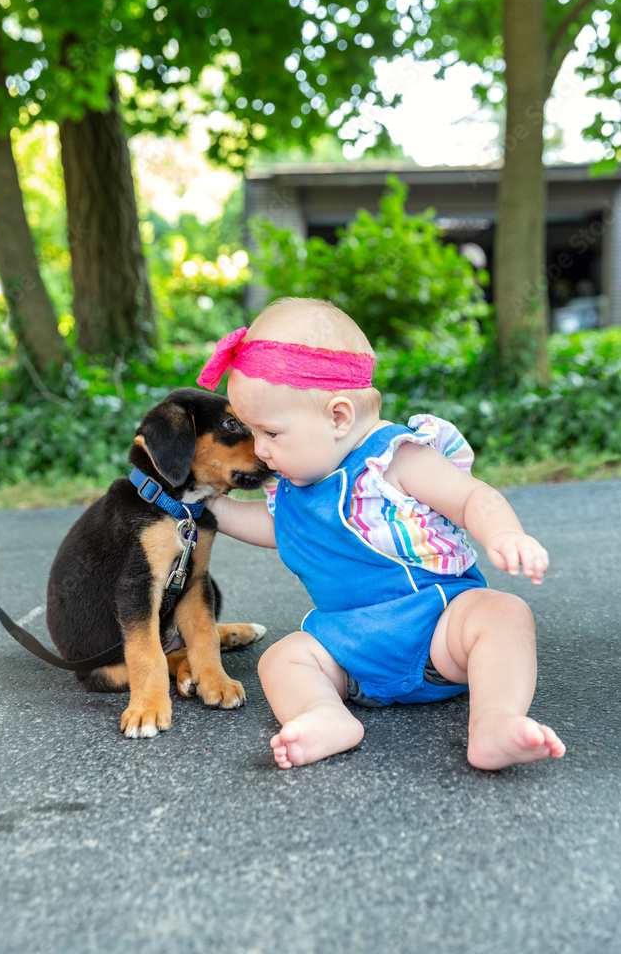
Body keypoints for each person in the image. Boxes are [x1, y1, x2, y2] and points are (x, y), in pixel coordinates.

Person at [197, 298, 566, 771]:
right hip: (350, 650)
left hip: (439, 631)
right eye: (251, 432)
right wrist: (211, 505)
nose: (259, 450)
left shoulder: (396, 460)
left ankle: (495, 721)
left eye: (269, 432)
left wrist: (506, 534)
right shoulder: (292, 486)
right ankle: (325, 714)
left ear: (338, 417)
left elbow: (472, 497)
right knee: (283, 657)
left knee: (503, 613)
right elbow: (277, 530)